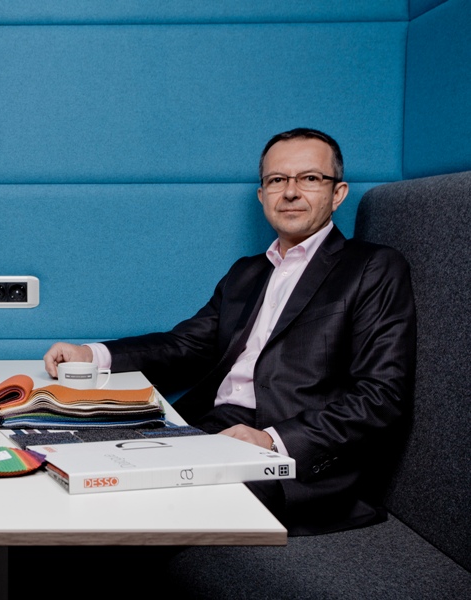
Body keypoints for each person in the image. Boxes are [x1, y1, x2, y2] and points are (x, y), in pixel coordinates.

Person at [44, 128, 417, 535]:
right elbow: (185, 345)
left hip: (293, 456)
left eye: (310, 178)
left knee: (129, 508)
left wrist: (271, 440)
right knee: (64, 464)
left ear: (338, 193)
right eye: (277, 180)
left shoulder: (372, 267)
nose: (291, 192)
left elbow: (381, 395)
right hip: (207, 429)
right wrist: (92, 355)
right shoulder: (246, 273)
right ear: (262, 195)